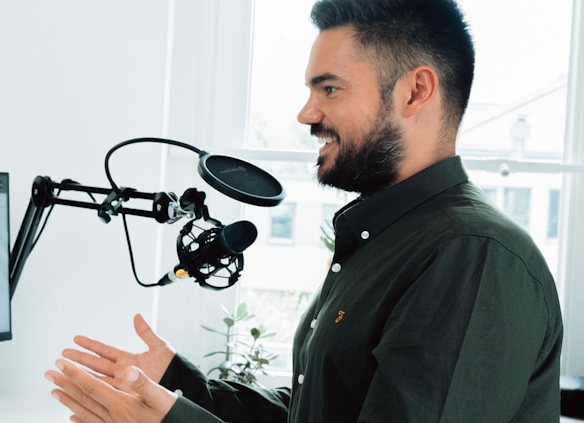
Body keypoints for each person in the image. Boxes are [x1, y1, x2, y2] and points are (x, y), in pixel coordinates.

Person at [44, 0, 564, 421]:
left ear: (415, 91)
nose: (306, 114)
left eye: (330, 89)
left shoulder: (470, 258)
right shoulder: (382, 239)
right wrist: (178, 386)